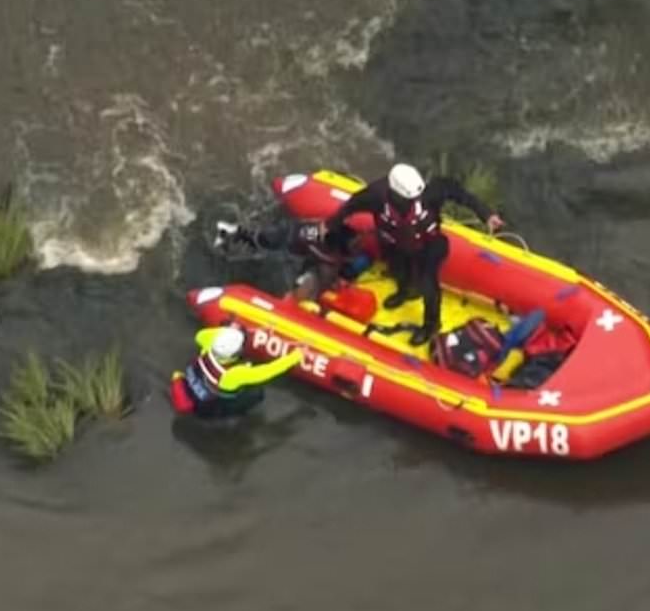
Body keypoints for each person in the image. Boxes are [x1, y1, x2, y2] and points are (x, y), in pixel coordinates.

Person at [322, 163, 504, 346]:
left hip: (430, 245)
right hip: (395, 244)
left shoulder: (431, 191)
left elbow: (461, 194)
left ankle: (431, 325)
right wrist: (329, 224)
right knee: (397, 270)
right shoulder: (376, 195)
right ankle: (405, 291)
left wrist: (486, 215)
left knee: (428, 283)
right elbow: (351, 205)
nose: (416, 200)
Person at [214, 218, 370, 301]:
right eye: (355, 243)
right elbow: (326, 269)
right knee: (262, 240)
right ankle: (232, 233)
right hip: (291, 248)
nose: (359, 244)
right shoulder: (322, 248)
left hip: (300, 241)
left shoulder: (332, 237)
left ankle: (237, 234)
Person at [169, 325, 303, 419]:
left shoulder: (207, 346)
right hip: (209, 410)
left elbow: (200, 335)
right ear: (234, 354)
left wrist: (227, 331)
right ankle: (235, 417)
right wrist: (295, 357)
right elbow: (268, 371)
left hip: (197, 393)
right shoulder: (234, 375)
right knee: (257, 393)